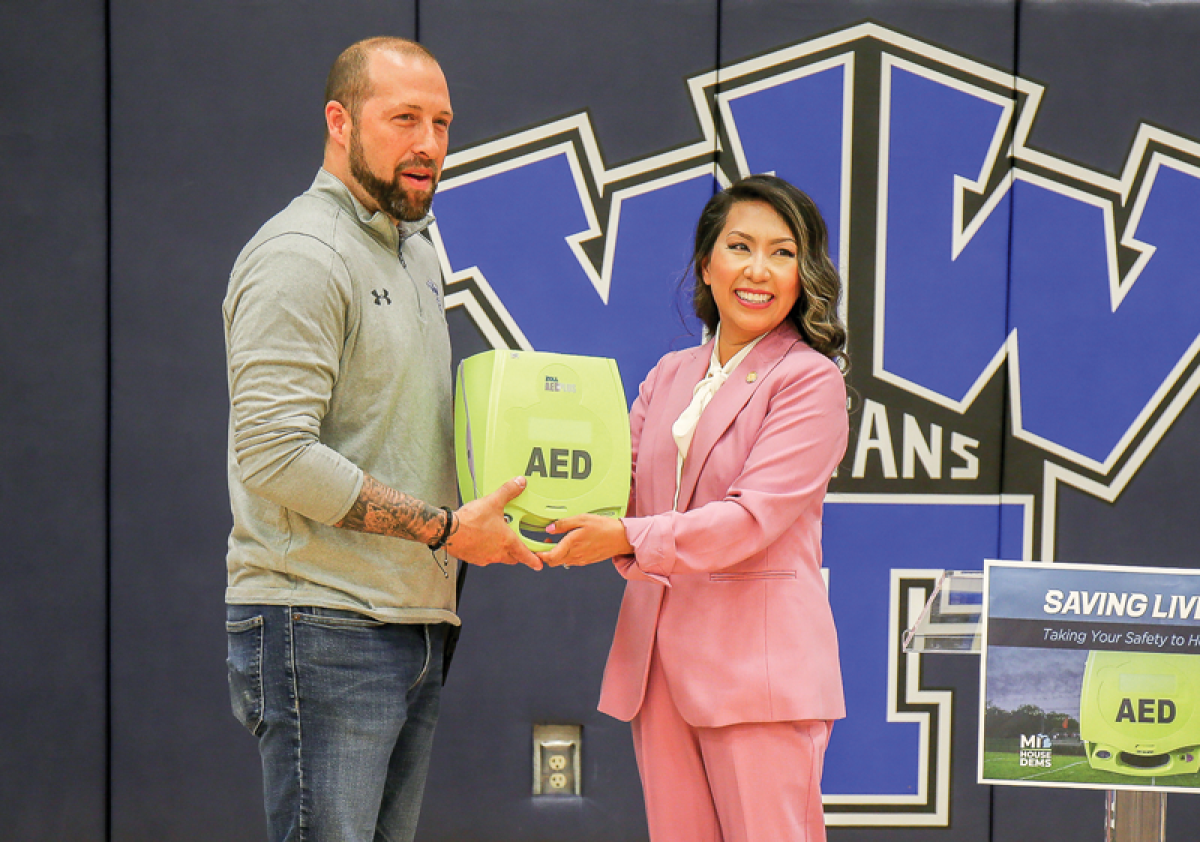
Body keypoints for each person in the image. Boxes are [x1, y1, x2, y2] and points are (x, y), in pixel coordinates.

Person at [222, 37, 540, 842]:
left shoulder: (415, 251)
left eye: (442, 123)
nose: (429, 143)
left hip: (411, 621)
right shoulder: (301, 255)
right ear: (340, 121)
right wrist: (443, 529)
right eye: (404, 119)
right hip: (320, 621)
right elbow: (274, 455)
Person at [540, 175, 849, 842]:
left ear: (803, 275)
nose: (758, 269)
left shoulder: (810, 381)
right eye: (740, 246)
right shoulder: (668, 374)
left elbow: (749, 521)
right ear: (706, 265)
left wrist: (625, 535)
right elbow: (613, 489)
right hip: (658, 672)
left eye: (783, 253)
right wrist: (530, 505)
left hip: (756, 681)